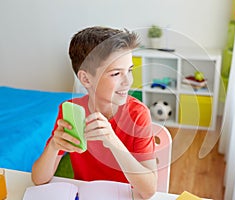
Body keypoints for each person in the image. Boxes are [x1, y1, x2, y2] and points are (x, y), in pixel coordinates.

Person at [31, 26, 157, 199]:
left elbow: (149, 190)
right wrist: (54, 146)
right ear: (85, 79)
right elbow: (39, 180)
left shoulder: (138, 114)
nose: (128, 81)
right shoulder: (71, 111)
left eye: (129, 70)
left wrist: (113, 141)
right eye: (116, 74)